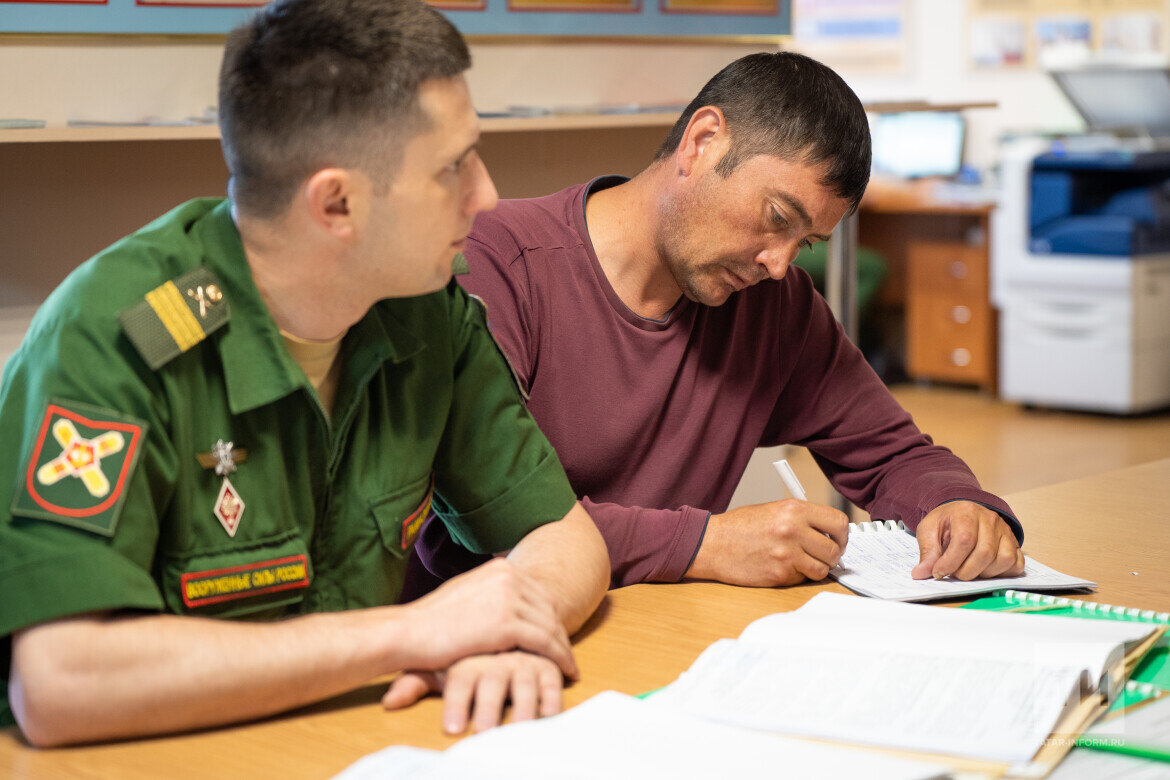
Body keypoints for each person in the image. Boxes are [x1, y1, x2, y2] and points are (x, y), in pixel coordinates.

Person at [0, 0, 609, 747]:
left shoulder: (423, 310)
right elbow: (60, 683)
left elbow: (564, 535)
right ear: (336, 202)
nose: (486, 195)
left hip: (347, 745)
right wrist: (411, 633)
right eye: (454, 166)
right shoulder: (115, 336)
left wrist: (513, 622)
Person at [412, 52, 1024, 591]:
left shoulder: (773, 307)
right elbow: (480, 525)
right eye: (778, 217)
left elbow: (892, 452)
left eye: (805, 242)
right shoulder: (492, 262)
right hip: (474, 661)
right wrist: (706, 544)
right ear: (702, 142)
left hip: (658, 645)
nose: (780, 264)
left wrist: (958, 503)